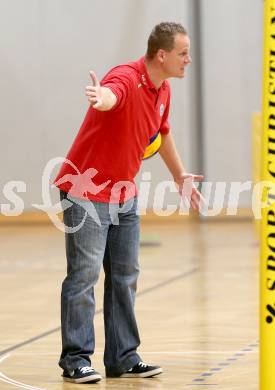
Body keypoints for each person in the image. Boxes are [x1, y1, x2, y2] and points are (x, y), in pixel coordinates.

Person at [54, 21, 204, 384]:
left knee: (125, 276)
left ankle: (122, 356)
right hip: (86, 192)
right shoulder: (126, 76)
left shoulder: (163, 90)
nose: (188, 60)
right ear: (162, 54)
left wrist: (179, 174)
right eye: (183, 53)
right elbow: (112, 95)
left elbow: (161, 134)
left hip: (124, 195)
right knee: (84, 276)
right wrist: (100, 97)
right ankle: (76, 359)